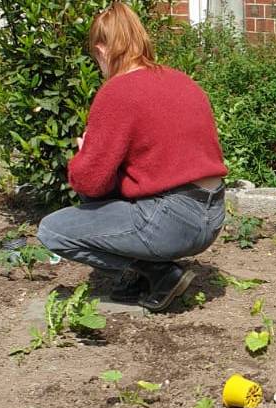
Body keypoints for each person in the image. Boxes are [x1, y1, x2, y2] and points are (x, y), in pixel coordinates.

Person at [37, 2, 228, 312]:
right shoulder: (182, 81)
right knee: (118, 188)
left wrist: (85, 151)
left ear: (101, 50)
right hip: (213, 214)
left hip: (171, 221)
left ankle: (159, 272)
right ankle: (145, 275)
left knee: (53, 230)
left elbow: (90, 182)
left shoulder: (117, 92)